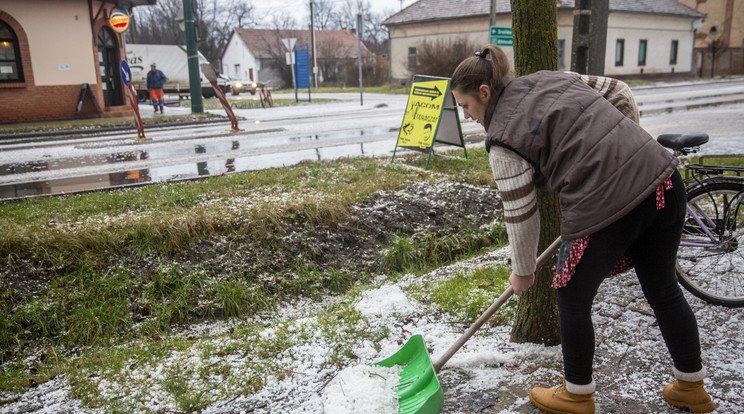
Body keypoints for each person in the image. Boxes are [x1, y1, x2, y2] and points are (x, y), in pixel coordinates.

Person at [450, 45, 715, 414]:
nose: (467, 116)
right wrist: (626, 151)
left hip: (605, 200)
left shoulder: (502, 141)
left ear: (484, 92)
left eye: (466, 106)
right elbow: (619, 91)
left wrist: (522, 271)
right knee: (663, 288)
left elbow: (521, 214)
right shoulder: (551, 79)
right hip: (662, 180)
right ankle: (691, 387)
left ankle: (576, 394)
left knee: (572, 297)